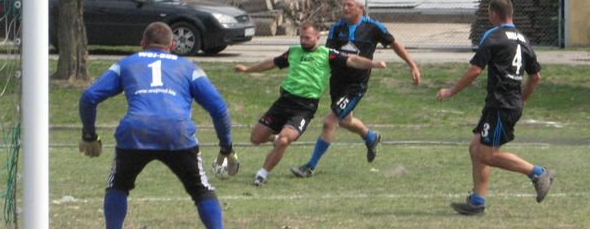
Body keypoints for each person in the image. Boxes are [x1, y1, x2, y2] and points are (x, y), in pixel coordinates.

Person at [78, 22, 238, 229]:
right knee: (201, 190)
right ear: (172, 45)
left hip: (136, 130)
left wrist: (89, 135)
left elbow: (89, 97)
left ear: (142, 44)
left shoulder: (126, 64)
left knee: (117, 185)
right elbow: (218, 107)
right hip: (177, 131)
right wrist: (226, 147)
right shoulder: (188, 67)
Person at [436, 0, 555, 215]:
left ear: (493, 14)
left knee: (487, 155)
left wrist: (450, 91)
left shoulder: (493, 36)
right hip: (504, 104)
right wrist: (522, 100)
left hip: (501, 104)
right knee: (476, 149)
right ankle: (477, 201)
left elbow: (474, 70)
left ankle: (538, 173)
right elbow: (535, 76)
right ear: (511, 13)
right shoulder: (523, 39)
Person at [235, 20, 386, 186]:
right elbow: (271, 63)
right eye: (301, 37)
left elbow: (352, 60)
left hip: (304, 108)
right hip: (283, 102)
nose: (303, 41)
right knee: (256, 138)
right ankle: (278, 137)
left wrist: (374, 64)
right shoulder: (293, 52)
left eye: (307, 38)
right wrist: (247, 69)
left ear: (317, 37)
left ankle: (261, 175)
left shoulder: (328, 54)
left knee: (285, 141)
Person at [291, 0, 420, 178]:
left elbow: (394, 44)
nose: (345, 8)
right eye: (343, 5)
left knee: (330, 121)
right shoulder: (337, 28)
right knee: (345, 121)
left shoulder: (373, 27)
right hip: (337, 82)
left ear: (360, 8)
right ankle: (371, 137)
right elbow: (328, 56)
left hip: (355, 86)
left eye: (349, 5)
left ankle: (309, 167)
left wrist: (412, 65)